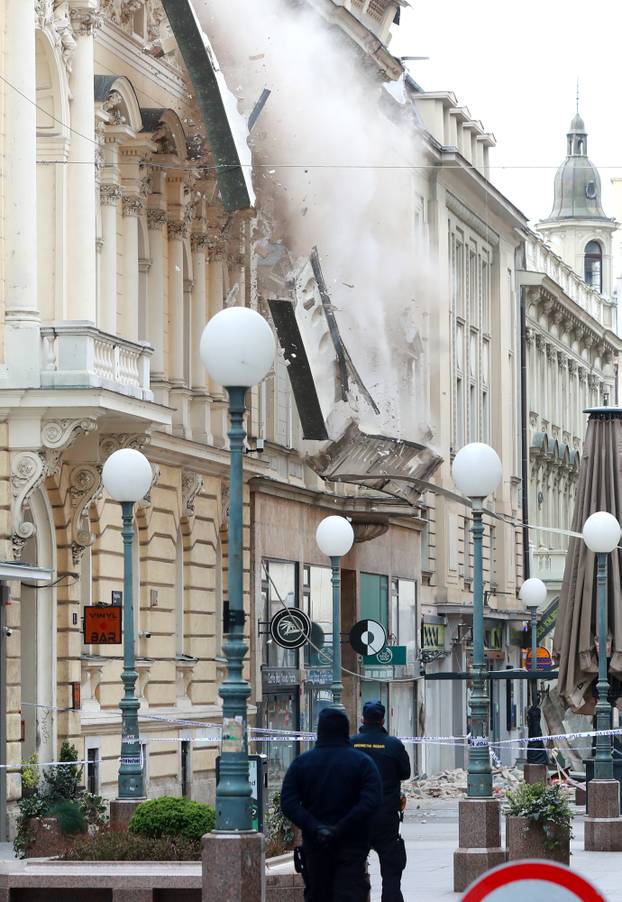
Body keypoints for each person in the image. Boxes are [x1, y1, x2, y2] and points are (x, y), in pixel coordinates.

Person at [280, 706, 382, 902]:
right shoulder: (363, 763)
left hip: (316, 846)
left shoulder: (302, 763)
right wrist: (342, 827)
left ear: (320, 731)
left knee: (318, 894)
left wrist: (315, 827)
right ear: (346, 731)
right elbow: (371, 801)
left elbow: (288, 802)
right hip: (352, 845)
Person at [351, 700, 411, 902]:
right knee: (391, 871)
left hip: (357, 817)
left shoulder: (351, 743)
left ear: (363, 719)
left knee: (353, 871)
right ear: (383, 720)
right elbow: (405, 773)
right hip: (386, 816)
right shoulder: (393, 745)